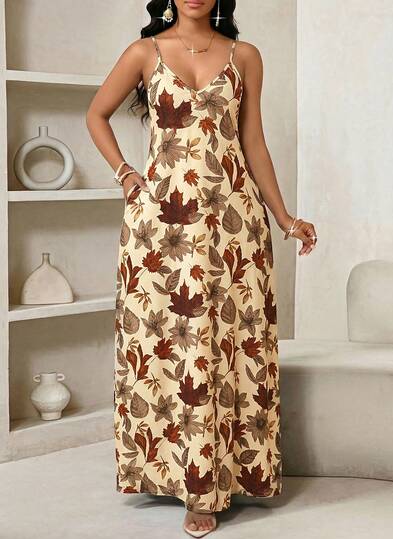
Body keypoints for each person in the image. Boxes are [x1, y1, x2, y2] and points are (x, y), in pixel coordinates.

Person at [86, 0, 317, 536]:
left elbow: (252, 141)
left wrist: (285, 218)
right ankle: (193, 486)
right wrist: (126, 175)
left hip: (234, 225)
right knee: (170, 347)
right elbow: (95, 115)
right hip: (160, 227)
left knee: (234, 345)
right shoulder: (144, 52)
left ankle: (228, 474)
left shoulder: (246, 56)